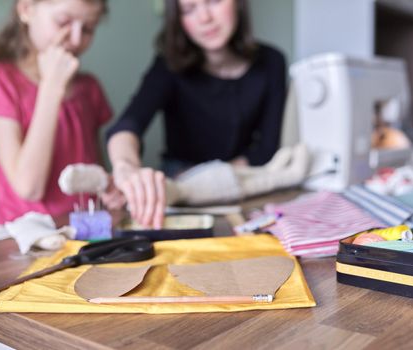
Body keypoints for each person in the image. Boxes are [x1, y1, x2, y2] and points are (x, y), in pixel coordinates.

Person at [107, 0, 287, 228]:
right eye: (189, 9)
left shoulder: (272, 62)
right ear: (178, 19)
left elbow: (267, 148)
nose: (204, 18)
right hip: (181, 181)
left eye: (213, 1)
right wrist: (125, 167)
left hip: (242, 176)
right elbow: (128, 124)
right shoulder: (167, 66)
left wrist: (216, 177)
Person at [0, 0, 123, 225]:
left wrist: (110, 189)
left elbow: (94, 177)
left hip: (86, 237)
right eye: (63, 22)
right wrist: (51, 89)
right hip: (25, 241)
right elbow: (29, 188)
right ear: (26, 9)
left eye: (88, 29)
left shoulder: (89, 88)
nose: (75, 39)